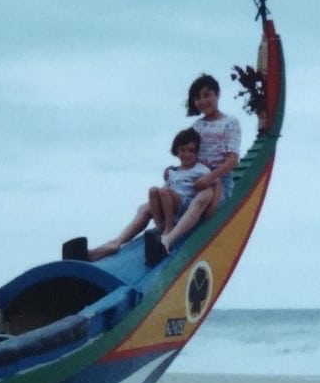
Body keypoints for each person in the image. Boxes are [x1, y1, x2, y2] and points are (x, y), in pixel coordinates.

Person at [86, 72, 241, 262]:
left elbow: (232, 160)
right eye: (198, 97)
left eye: (207, 95)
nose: (203, 100)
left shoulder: (230, 123)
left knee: (200, 200)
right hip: (193, 179)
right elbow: (189, 155)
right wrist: (174, 170)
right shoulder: (197, 126)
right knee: (146, 207)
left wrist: (208, 179)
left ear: (217, 94)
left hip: (216, 183)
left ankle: (168, 239)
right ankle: (115, 243)